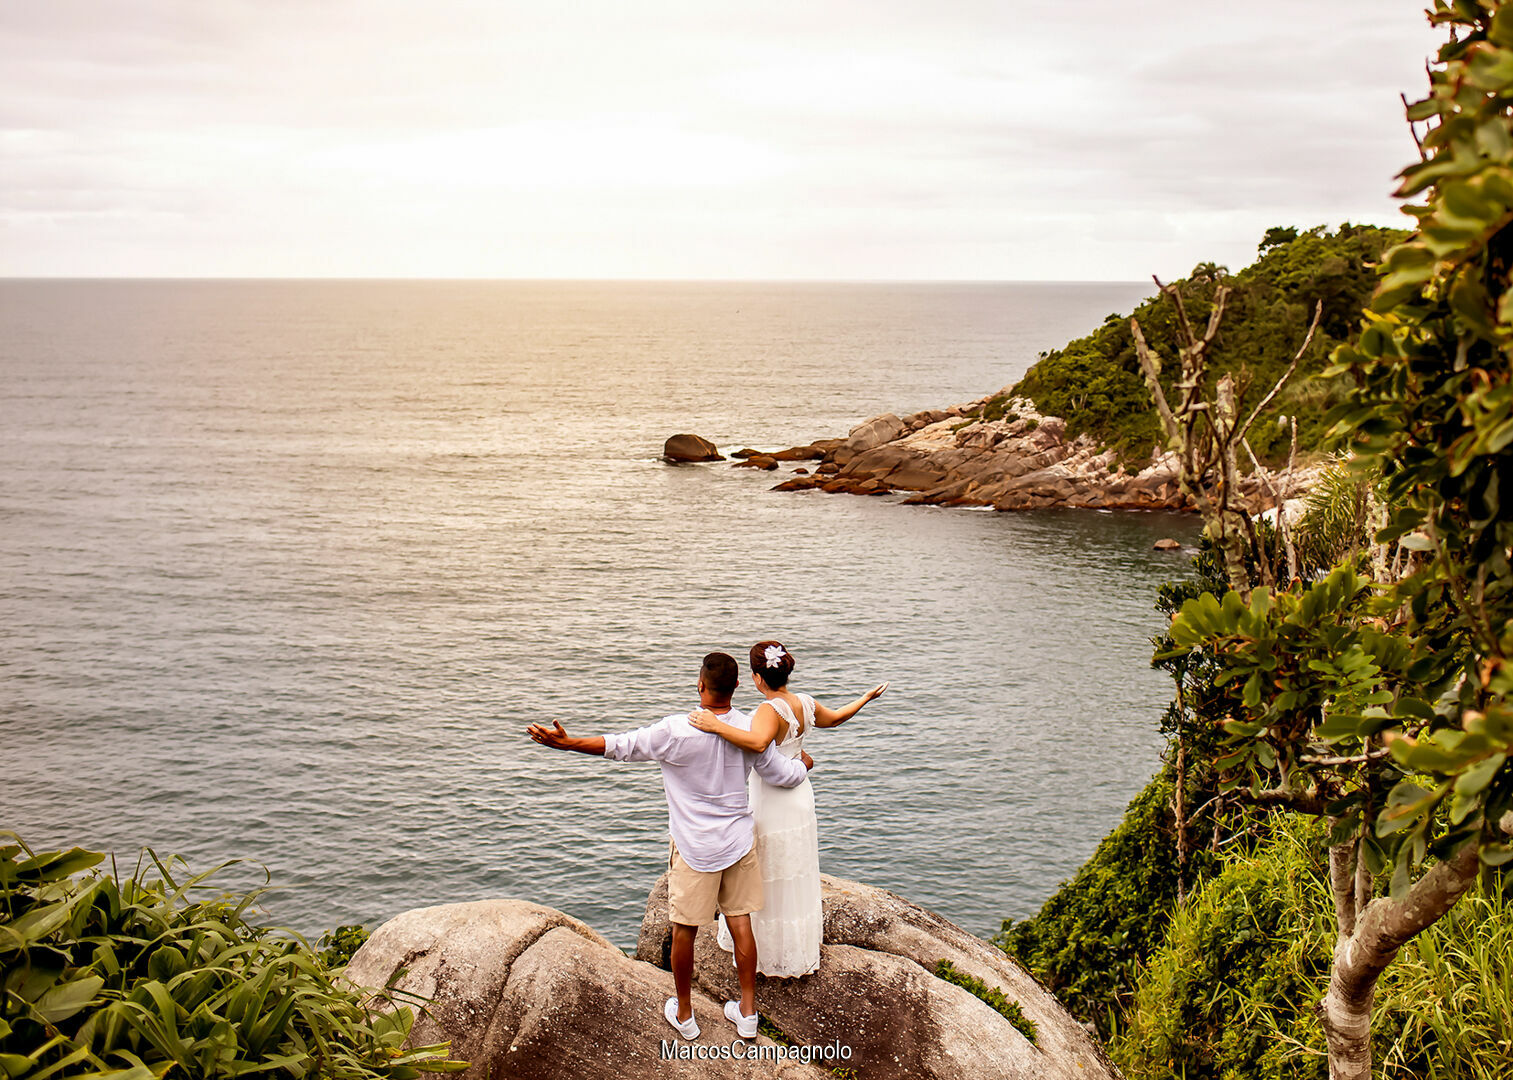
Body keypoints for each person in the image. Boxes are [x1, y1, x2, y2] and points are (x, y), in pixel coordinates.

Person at [526, 651, 814, 1041]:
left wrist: (568, 743)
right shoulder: (750, 729)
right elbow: (781, 773)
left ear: (700, 685)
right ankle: (748, 1013)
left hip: (695, 848)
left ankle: (685, 1014)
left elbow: (621, 745)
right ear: (736, 686)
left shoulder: (675, 730)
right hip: (737, 843)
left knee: (684, 931)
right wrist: (803, 765)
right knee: (741, 923)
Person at [689, 640, 886, 977]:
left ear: (756, 678)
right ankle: (793, 947)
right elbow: (836, 719)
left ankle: (765, 951)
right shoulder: (804, 703)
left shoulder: (769, 710)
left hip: (773, 798)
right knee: (794, 865)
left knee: (767, 868)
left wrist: (715, 725)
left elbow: (757, 743)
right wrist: (865, 698)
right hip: (800, 796)